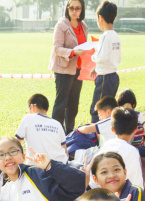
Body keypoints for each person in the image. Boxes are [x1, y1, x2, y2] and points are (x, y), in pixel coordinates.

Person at [49, 0, 89, 134]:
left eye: (78, 8)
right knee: (61, 103)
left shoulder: (83, 26)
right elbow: (56, 48)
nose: (74, 11)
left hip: (78, 69)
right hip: (64, 69)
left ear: (82, 9)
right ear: (67, 8)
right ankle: (56, 133)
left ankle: (69, 133)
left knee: (73, 104)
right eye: (71, 8)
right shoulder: (61, 25)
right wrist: (72, 52)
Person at [94, 107, 144, 187]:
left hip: (95, 188)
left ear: (112, 130)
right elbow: (136, 185)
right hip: (111, 191)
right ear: (136, 130)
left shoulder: (107, 144)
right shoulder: (131, 151)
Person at [89, 1, 121, 123]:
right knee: (108, 110)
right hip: (113, 77)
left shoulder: (105, 36)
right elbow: (117, 58)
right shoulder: (116, 36)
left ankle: (95, 133)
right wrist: (96, 67)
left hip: (104, 79)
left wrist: (93, 57)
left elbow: (101, 57)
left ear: (100, 18)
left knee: (97, 110)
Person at [15, 93, 68, 164]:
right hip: (61, 165)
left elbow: (17, 145)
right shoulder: (57, 123)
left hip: (37, 166)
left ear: (32, 106)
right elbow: (65, 150)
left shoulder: (28, 118)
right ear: (47, 110)